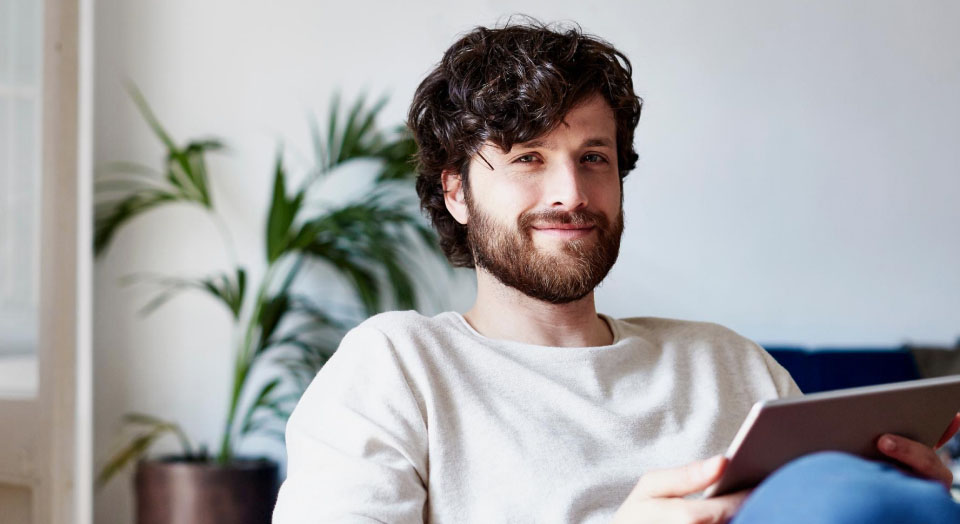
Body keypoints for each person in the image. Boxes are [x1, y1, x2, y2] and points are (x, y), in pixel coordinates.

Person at [273, 20, 960, 523]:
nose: (571, 192)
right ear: (455, 191)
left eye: (593, 157)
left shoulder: (730, 366)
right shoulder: (398, 367)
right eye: (528, 157)